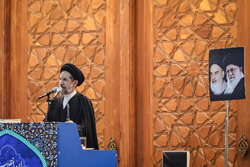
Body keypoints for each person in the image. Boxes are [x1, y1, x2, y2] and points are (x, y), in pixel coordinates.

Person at [44, 63, 99, 149]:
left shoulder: (83, 101)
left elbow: (87, 128)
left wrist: (73, 127)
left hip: (76, 149)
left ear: (74, 83)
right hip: (57, 149)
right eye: (60, 79)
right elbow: (47, 124)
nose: (61, 83)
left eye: (65, 80)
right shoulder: (54, 102)